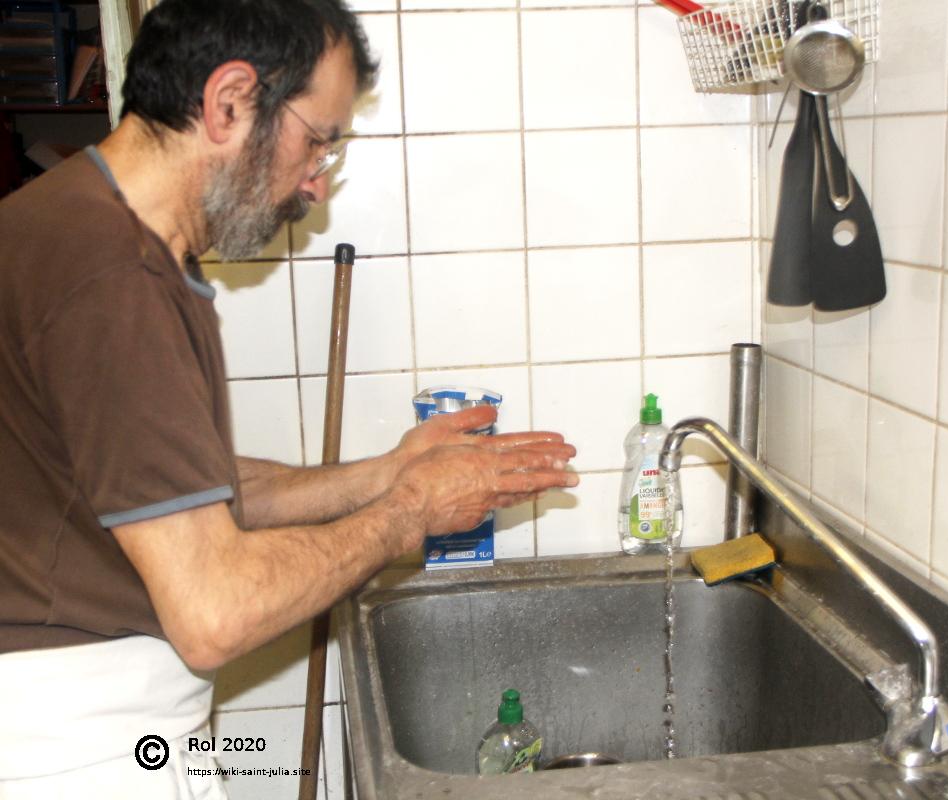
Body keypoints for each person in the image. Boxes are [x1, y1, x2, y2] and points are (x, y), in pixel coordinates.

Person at [0, 1, 578, 797]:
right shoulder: (113, 277)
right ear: (229, 102)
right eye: (317, 141)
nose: (316, 182)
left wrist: (385, 473)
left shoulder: (71, 225)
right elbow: (215, 612)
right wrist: (409, 511)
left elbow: (171, 490)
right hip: (77, 752)